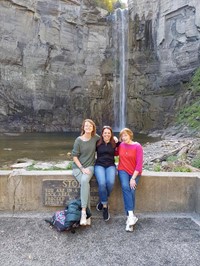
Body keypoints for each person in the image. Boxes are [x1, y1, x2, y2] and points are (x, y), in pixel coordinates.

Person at [72, 119, 100, 226]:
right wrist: (82, 168)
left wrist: (115, 139)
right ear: (83, 127)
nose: (88, 127)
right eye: (86, 126)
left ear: (93, 128)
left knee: (84, 181)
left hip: (90, 166)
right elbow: (74, 156)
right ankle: (88, 216)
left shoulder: (95, 138)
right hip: (78, 167)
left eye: (90, 126)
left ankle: (83, 211)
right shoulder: (78, 140)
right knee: (85, 185)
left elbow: (107, 138)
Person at [116, 128, 143, 232]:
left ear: (130, 135)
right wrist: (114, 140)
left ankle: (129, 219)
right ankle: (131, 215)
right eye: (122, 136)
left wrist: (133, 178)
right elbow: (114, 151)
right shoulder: (121, 145)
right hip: (123, 170)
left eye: (126, 135)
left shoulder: (137, 146)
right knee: (125, 186)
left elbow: (139, 165)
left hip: (134, 172)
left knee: (132, 190)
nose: (124, 138)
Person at [94, 126, 118, 221]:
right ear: (102, 134)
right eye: (105, 133)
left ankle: (101, 201)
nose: (107, 134)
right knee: (102, 183)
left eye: (109, 133)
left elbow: (126, 145)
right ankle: (105, 207)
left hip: (110, 166)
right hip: (99, 165)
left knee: (110, 183)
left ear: (111, 134)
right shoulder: (98, 143)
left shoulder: (114, 143)